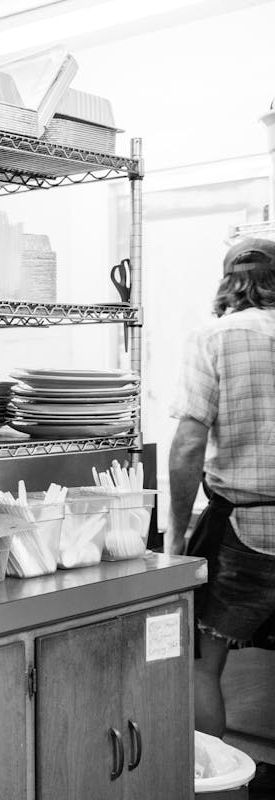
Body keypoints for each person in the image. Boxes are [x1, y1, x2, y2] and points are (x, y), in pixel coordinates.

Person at [168, 237, 275, 737]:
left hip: (244, 535)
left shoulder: (215, 337)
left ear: (229, 282)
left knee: (199, 665)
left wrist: (173, 537)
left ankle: (216, 789)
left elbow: (188, 447)